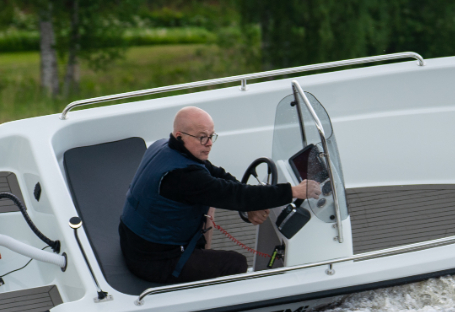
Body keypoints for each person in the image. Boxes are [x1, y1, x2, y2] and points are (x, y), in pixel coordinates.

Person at [118, 106, 322, 283]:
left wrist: (249, 206)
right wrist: (292, 191)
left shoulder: (164, 146)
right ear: (180, 137)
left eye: (211, 136)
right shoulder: (183, 177)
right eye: (202, 137)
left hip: (135, 241)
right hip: (153, 260)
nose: (209, 143)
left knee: (211, 201)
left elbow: (217, 176)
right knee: (235, 263)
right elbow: (232, 194)